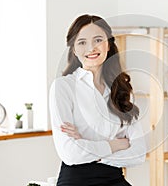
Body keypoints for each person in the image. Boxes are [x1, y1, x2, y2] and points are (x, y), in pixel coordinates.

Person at [49, 14, 146, 186]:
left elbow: (138, 154)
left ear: (108, 44)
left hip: (115, 179)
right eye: (82, 42)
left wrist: (88, 146)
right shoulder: (63, 87)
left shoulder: (122, 91)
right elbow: (70, 153)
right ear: (73, 49)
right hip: (76, 181)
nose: (91, 48)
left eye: (98, 40)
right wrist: (116, 145)